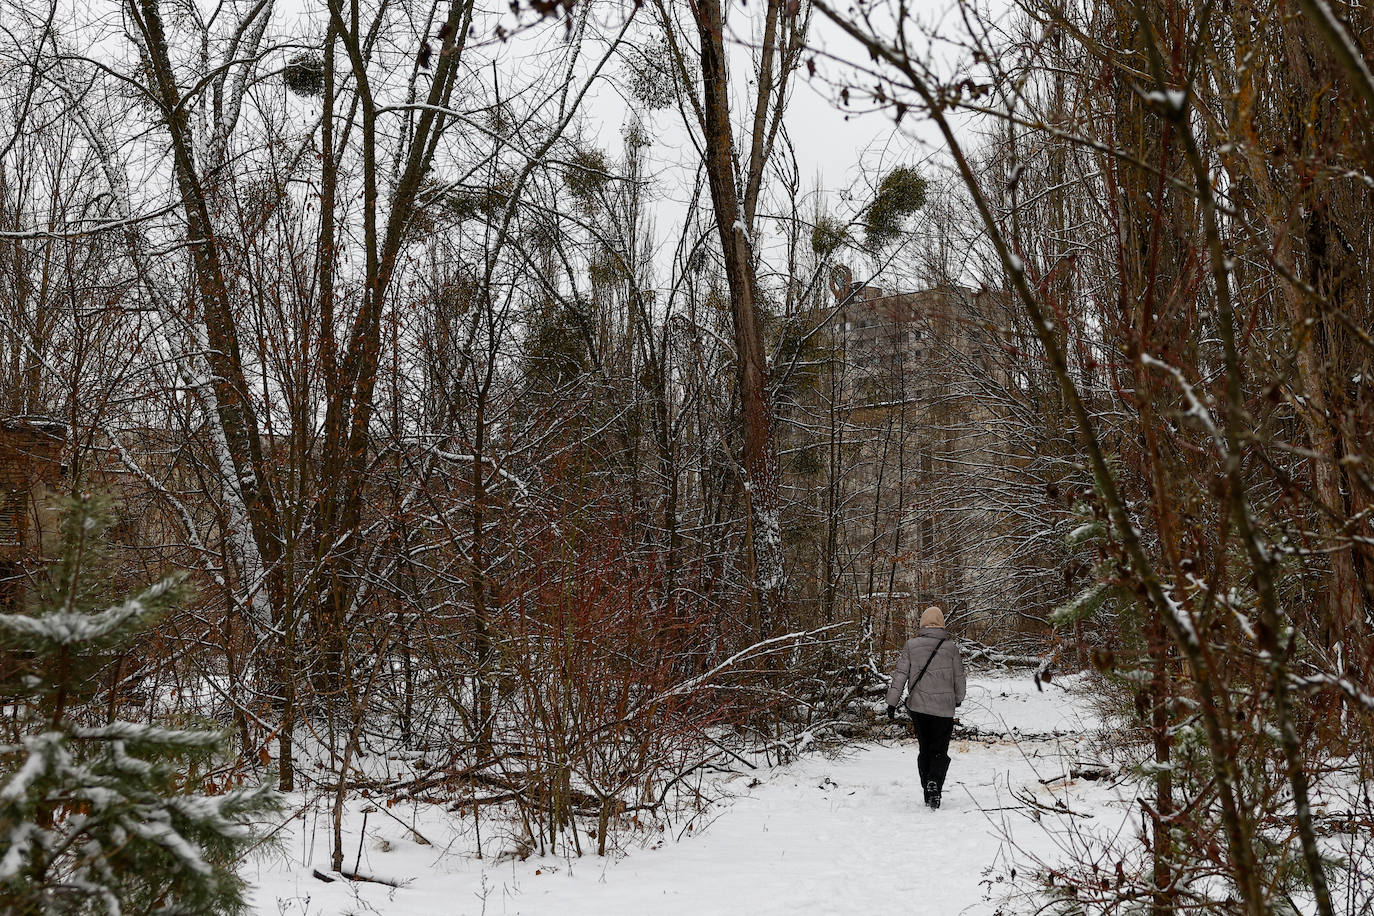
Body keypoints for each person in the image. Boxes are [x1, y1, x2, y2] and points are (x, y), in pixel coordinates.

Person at [885, 605, 966, 809]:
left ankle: (927, 786)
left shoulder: (911, 645)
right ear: (941, 623)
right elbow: (959, 677)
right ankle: (935, 784)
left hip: (919, 708)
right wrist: (958, 698)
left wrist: (891, 703)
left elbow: (900, 675)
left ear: (922, 622)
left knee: (925, 748)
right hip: (944, 709)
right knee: (940, 750)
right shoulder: (951, 648)